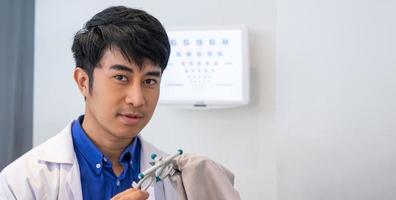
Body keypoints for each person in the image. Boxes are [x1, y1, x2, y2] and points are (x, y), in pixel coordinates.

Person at [0, 6, 240, 200]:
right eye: (121, 78)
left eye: (149, 81)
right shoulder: (23, 182)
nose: (137, 99)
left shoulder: (180, 181)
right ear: (83, 81)